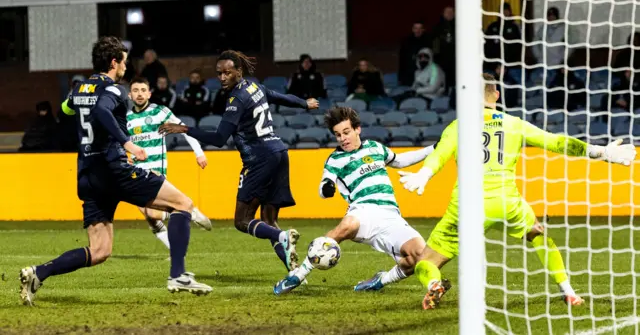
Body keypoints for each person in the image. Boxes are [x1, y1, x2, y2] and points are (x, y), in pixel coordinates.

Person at [398, 73, 637, 310]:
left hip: (466, 206)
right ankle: (569, 293)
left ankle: (434, 284)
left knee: (424, 262)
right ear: (497, 94)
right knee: (539, 235)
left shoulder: (458, 126)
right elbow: (556, 142)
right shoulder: (513, 123)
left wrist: (424, 174)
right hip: (506, 202)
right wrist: (600, 152)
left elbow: (439, 155)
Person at [19, 37, 211, 306]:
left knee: (99, 251)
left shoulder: (78, 90)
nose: (125, 66)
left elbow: (66, 109)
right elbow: (102, 111)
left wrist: (79, 101)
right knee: (183, 204)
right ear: (113, 63)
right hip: (115, 170)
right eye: (123, 60)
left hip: (88, 175)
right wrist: (128, 142)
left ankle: (38, 273)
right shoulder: (115, 91)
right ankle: (178, 275)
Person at [159, 50, 320, 273]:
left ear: (238, 71)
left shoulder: (237, 99)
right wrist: (304, 103)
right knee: (268, 219)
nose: (223, 77)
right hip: (280, 153)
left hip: (259, 159)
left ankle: (283, 236)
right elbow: (277, 96)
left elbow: (218, 138)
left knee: (242, 221)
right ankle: (295, 272)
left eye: (227, 72)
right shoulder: (254, 86)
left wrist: (183, 128)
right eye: (219, 73)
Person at [272, 106, 440, 295]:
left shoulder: (375, 147)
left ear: (357, 129)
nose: (342, 138)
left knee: (419, 256)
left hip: (391, 216)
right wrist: (327, 188)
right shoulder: (335, 159)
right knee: (348, 225)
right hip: (362, 212)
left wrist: (433, 149)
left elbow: (400, 160)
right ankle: (298, 275)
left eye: (346, 132)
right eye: (337, 135)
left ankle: (381, 280)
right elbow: (323, 187)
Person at [127, 76, 212, 250]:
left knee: (151, 213)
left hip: (155, 169)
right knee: (150, 217)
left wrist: (199, 153)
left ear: (149, 94)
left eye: (143, 90)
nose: (140, 94)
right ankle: (179, 235)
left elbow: (184, 130)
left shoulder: (160, 112)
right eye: (135, 90)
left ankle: (187, 210)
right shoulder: (126, 118)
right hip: (135, 172)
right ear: (130, 95)